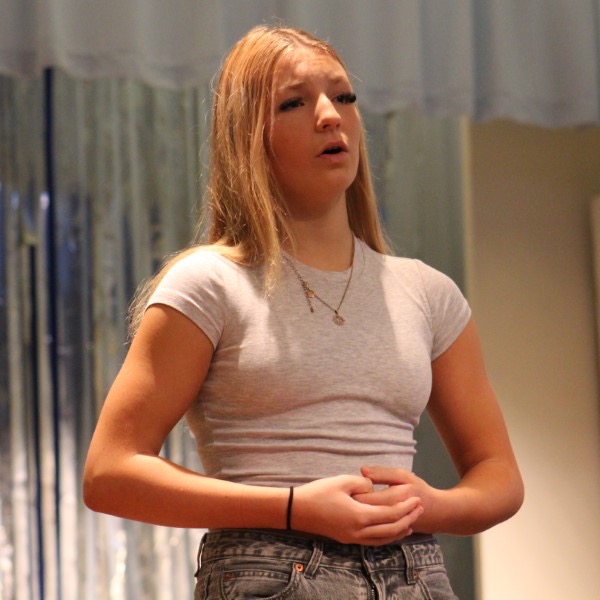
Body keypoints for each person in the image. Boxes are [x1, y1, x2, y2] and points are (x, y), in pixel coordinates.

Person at [83, 25, 524, 599]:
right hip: (273, 571)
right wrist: (293, 507)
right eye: (294, 102)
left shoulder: (426, 291)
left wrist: (428, 505)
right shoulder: (209, 284)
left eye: (344, 96)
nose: (330, 116)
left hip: (413, 573)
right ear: (248, 136)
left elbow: (499, 476)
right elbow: (110, 473)